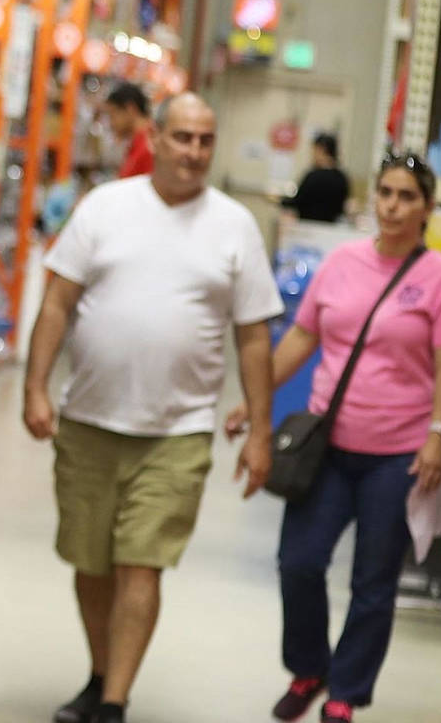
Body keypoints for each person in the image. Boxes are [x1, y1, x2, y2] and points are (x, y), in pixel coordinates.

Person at [22, 93, 283, 723]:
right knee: (90, 564)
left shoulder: (234, 226)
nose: (194, 153)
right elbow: (57, 302)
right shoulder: (105, 207)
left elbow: (253, 335)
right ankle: (99, 672)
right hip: (89, 419)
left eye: (205, 140)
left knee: (142, 564)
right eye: (183, 138)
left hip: (179, 431)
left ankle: (114, 702)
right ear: (156, 139)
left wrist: (260, 431)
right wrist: (34, 387)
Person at [228, 154, 441, 723]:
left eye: (407, 196)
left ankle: (345, 692)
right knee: (299, 562)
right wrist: (254, 398)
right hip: (329, 447)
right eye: (385, 193)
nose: (392, 206)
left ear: (427, 208)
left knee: (373, 580)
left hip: (398, 455)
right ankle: (309, 667)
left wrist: (437, 435)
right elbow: (299, 341)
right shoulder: (340, 263)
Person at [282, 133, 349, 223]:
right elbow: (342, 207)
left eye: (313, 151)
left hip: (308, 227)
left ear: (320, 149)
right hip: (332, 230)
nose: (312, 156)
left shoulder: (313, 176)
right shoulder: (342, 178)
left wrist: (281, 200)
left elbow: (297, 202)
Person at [104, 82, 153, 178]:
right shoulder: (137, 143)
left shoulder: (149, 146)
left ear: (130, 109)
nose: (111, 123)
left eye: (112, 115)